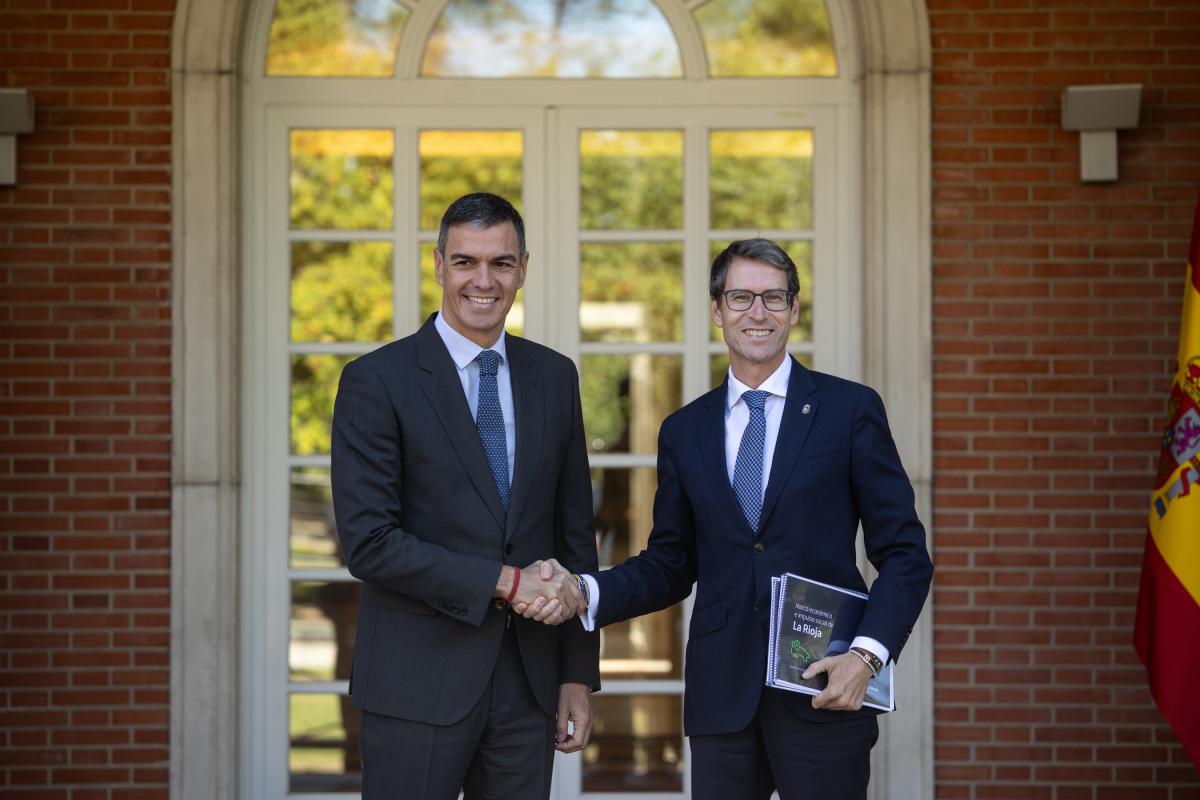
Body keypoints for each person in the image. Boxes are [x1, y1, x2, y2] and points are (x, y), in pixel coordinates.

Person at [521, 238, 933, 799]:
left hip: (824, 689)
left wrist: (866, 657)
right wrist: (582, 591)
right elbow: (670, 564)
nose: (757, 313)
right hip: (722, 702)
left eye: (773, 298)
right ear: (717, 310)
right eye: (741, 298)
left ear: (793, 309)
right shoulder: (685, 430)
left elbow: (906, 555)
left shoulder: (849, 411)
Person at [331, 193, 599, 800]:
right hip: (414, 682)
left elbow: (574, 535)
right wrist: (505, 582)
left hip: (528, 686)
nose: (484, 281)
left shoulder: (554, 377)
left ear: (523, 269)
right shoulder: (377, 381)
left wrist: (578, 675)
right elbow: (370, 544)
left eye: (501, 263)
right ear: (438, 265)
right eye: (465, 262)